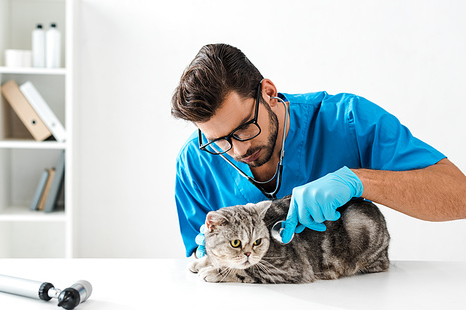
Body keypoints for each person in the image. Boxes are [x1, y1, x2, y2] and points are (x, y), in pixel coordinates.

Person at [171, 43, 466, 258]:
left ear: (269, 93)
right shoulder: (195, 163)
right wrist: (203, 255)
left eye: (245, 128)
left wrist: (359, 181)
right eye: (219, 140)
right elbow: (198, 263)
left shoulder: (348, 120)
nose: (237, 149)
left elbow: (459, 195)